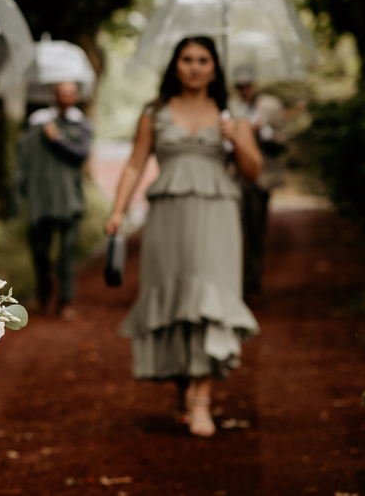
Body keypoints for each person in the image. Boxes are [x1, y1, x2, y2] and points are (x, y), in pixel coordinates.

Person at [107, 36, 262, 438]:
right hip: (168, 217)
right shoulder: (154, 112)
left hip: (218, 215)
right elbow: (134, 164)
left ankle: (202, 399)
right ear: (176, 65)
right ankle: (182, 385)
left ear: (215, 67)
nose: (195, 66)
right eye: (187, 59)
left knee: (211, 297)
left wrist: (238, 137)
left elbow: (254, 172)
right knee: (175, 298)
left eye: (203, 60)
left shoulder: (233, 113)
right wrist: (118, 211)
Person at [16, 81, 93, 319]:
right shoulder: (37, 121)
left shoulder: (81, 125)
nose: (65, 96)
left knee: (67, 253)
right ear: (54, 95)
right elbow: (23, 156)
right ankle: (44, 291)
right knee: (40, 251)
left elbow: (81, 154)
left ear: (77, 96)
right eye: (61, 92)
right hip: (41, 199)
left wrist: (57, 137)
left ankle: (65, 301)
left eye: (70, 92)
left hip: (70, 199)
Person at [231, 67, 287, 296]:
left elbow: (282, 144)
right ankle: (234, 279)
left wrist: (262, 129)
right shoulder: (228, 107)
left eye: (247, 83)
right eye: (240, 85)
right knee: (233, 230)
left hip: (261, 177)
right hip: (233, 177)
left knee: (256, 229)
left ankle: (253, 278)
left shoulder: (271, 106)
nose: (244, 88)